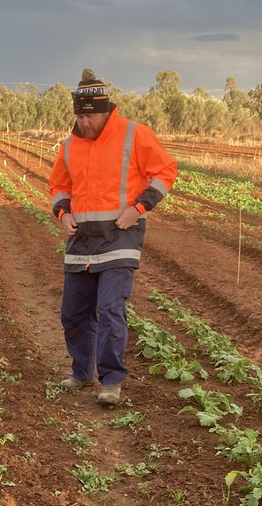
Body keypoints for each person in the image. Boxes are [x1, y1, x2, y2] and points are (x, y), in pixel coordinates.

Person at [48, 74, 177, 405]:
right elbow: (58, 185)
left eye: (89, 115)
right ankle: (81, 373)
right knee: (73, 313)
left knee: (109, 308)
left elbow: (165, 172)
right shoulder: (69, 144)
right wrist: (63, 214)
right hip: (81, 242)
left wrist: (139, 208)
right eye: (79, 115)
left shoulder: (134, 134)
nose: (83, 121)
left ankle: (111, 381)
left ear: (105, 112)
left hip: (120, 236)